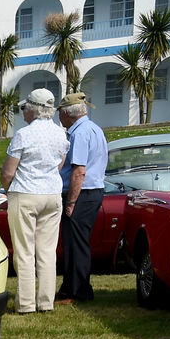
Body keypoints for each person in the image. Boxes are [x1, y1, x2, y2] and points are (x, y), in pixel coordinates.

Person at [0, 88, 69, 314]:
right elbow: (60, 164)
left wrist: (11, 192)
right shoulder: (61, 133)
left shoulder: (23, 134)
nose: (23, 113)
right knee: (48, 251)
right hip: (52, 194)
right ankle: (46, 302)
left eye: (25, 108)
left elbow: (8, 172)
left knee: (24, 251)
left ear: (33, 109)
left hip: (26, 193)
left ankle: (27, 303)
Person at [56, 92, 108, 303]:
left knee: (75, 245)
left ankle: (77, 291)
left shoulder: (79, 134)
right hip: (92, 192)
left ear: (67, 113)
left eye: (60, 112)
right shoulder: (94, 129)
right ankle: (73, 287)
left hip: (82, 193)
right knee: (77, 243)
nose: (59, 116)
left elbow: (79, 171)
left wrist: (71, 202)